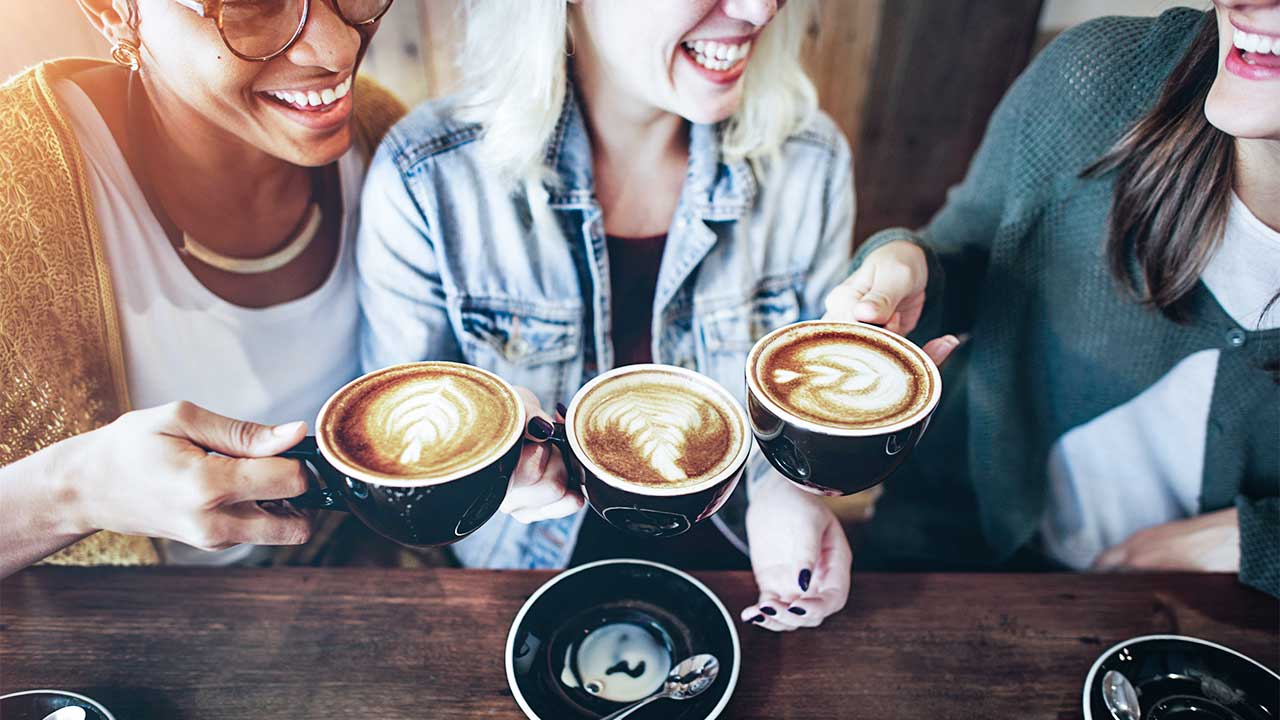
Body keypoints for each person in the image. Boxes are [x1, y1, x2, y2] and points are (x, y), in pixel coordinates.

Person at [359, 0, 958, 630]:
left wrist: (790, 490)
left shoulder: (809, 159)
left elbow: (796, 419)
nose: (758, 10)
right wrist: (486, 459)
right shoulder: (428, 175)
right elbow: (403, 455)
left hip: (737, 563)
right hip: (518, 584)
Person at [825, 1, 1279, 596]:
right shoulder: (1100, 74)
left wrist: (1255, 540)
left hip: (1218, 622)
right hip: (952, 545)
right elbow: (971, 252)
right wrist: (909, 264)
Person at [0, 0, 406, 577]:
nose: (339, 48)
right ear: (114, 14)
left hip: (359, 591)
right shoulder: (13, 188)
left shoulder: (385, 137)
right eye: (253, 6)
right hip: (119, 638)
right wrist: (74, 490)